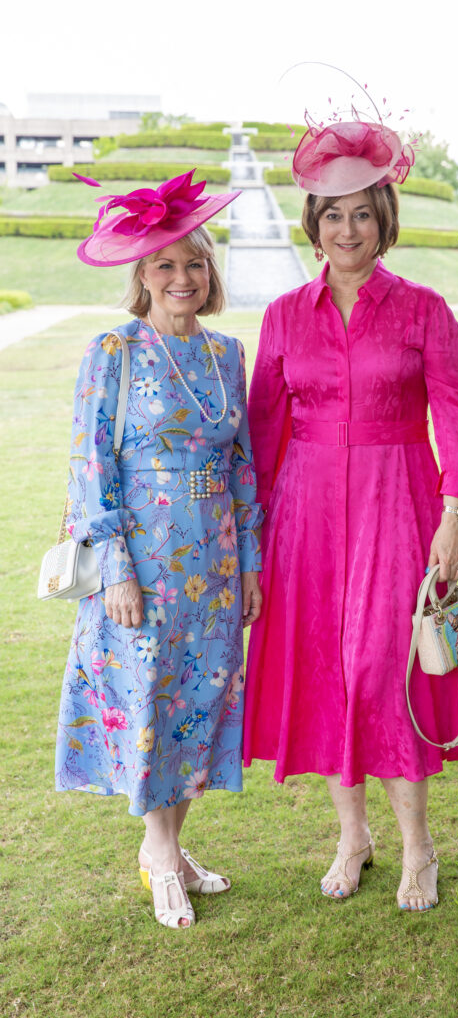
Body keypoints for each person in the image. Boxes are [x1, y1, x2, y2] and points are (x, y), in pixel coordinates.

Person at [243, 114, 458, 911]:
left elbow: (454, 411)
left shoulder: (422, 310)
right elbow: (263, 435)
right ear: (313, 222)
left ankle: (419, 848)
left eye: (362, 212)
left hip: (398, 500)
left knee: (384, 666)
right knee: (326, 671)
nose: (347, 228)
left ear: (384, 221)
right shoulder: (283, 315)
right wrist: (255, 539)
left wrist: (455, 512)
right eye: (332, 212)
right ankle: (352, 837)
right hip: (304, 515)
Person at [55, 170, 263, 927]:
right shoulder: (113, 349)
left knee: (194, 703)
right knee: (147, 699)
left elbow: (245, 465)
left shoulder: (227, 353)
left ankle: (173, 849)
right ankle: (156, 855)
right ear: (141, 277)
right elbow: (89, 463)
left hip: (211, 562)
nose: (183, 277)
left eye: (195, 263)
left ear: (210, 275)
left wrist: (249, 566)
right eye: (166, 265)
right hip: (139, 562)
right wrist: (113, 566)